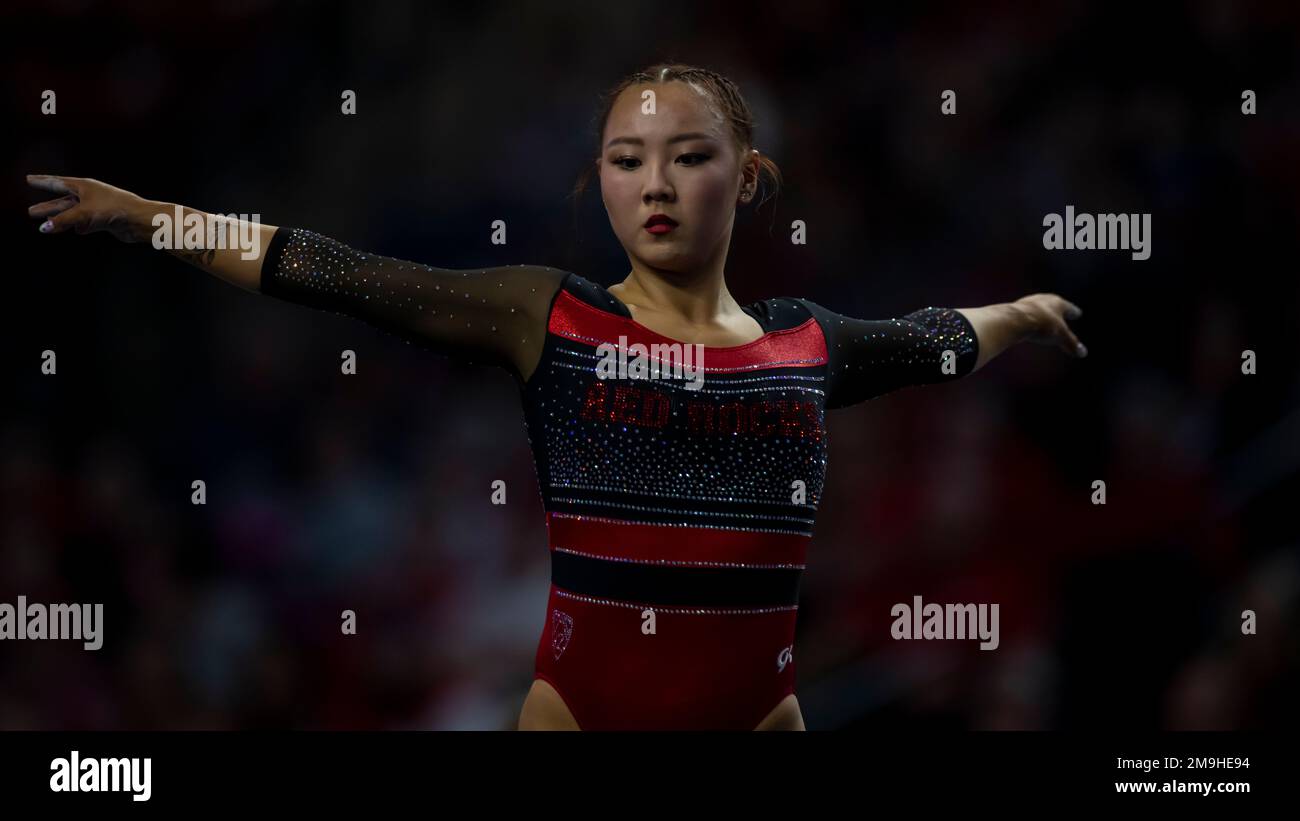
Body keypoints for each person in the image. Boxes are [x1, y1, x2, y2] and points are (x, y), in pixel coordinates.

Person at [26, 63, 1085, 730]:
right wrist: (149, 214)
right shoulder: (548, 318)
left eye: (688, 156)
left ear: (748, 177)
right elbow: (328, 269)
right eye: (628, 159)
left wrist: (1025, 313)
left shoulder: (808, 342)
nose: (657, 183)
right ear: (601, 182)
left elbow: (938, 340)